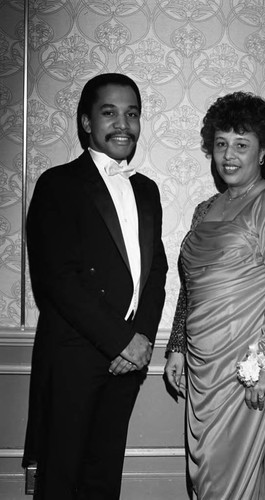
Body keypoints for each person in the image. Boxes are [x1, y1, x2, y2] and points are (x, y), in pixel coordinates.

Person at [23, 73, 168, 500]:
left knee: (104, 480)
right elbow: (58, 280)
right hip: (73, 356)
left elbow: (154, 272)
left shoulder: (147, 190)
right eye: (110, 113)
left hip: (126, 363)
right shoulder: (57, 184)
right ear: (87, 122)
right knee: (60, 479)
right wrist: (121, 340)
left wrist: (140, 339)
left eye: (132, 114)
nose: (123, 123)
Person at [164, 91, 265, 500]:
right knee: (204, 473)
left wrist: (263, 364)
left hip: (245, 366)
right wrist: (177, 347)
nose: (229, 155)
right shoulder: (204, 210)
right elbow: (192, 284)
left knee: (231, 480)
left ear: (262, 153)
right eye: (221, 143)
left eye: (242, 145)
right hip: (201, 364)